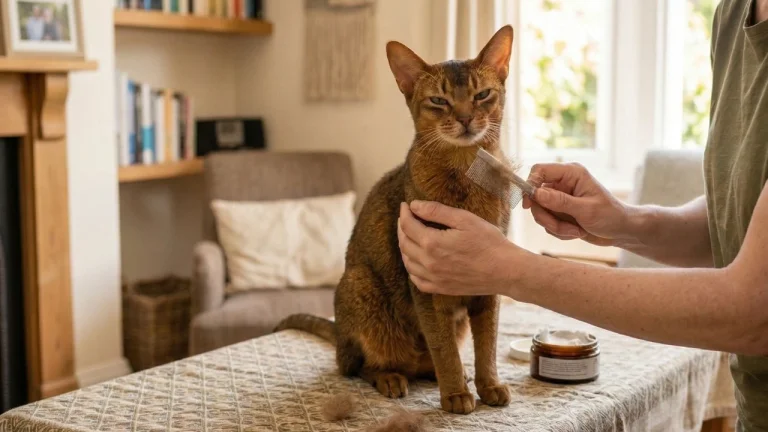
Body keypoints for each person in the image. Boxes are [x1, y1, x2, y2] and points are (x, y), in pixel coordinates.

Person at [397, 0, 768, 430]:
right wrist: (623, 222)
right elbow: (734, 224)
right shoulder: (731, 16)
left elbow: (755, 312)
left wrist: (511, 270)